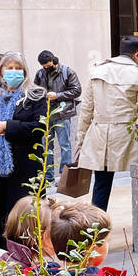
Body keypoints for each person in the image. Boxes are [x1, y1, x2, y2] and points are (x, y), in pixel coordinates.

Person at [0, 51, 49, 249]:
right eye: (10, 68)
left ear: (25, 72)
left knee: (24, 218)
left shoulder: (35, 95)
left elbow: (39, 128)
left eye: (18, 68)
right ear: (0, 71)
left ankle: (26, 260)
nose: (14, 72)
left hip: (25, 169)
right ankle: (0, 260)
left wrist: (7, 126)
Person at [75, 35, 138, 211]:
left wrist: (81, 138)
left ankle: (96, 228)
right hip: (130, 135)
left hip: (100, 134)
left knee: (101, 185)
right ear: (137, 55)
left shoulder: (96, 72)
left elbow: (87, 109)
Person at [34, 50, 82, 192]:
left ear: (54, 61)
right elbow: (35, 90)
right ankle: (48, 177)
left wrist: (58, 95)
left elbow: (77, 90)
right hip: (46, 115)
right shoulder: (40, 74)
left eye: (48, 66)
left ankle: (64, 176)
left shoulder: (67, 72)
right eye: (44, 66)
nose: (46, 69)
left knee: (65, 145)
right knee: (46, 147)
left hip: (62, 114)